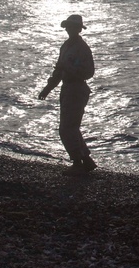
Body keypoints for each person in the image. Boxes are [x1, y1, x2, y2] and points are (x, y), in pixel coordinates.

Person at [39, 14, 97, 176]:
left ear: (78, 29)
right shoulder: (65, 46)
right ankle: (86, 160)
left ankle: (78, 162)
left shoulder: (82, 48)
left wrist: (69, 69)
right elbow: (58, 70)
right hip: (67, 88)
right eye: (68, 27)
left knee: (67, 128)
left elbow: (88, 72)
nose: (69, 29)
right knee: (71, 127)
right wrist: (48, 88)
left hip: (77, 89)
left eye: (72, 27)